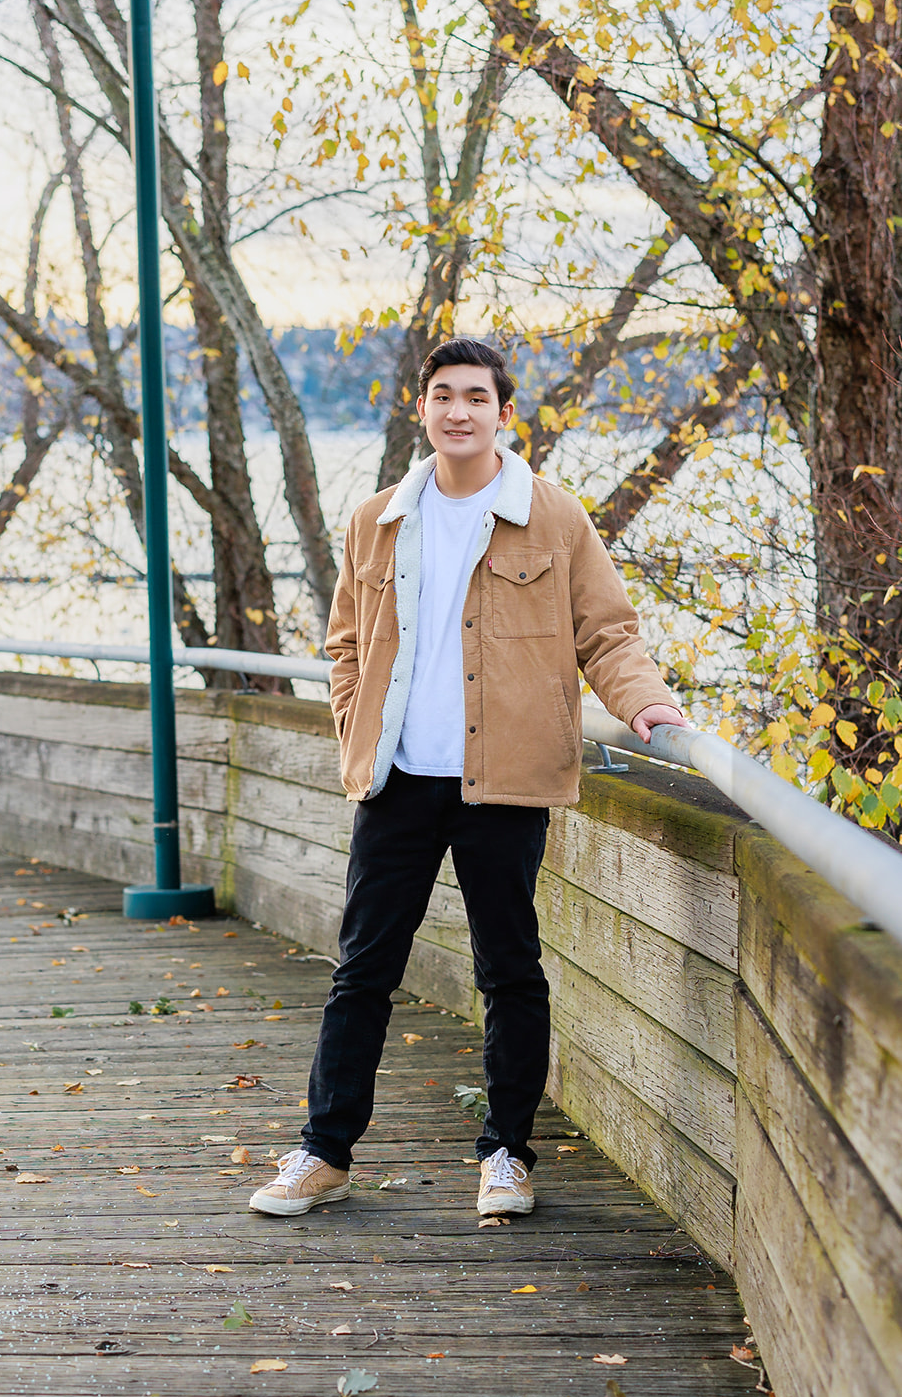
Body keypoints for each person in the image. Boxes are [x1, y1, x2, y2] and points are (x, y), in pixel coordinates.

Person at [248, 337, 685, 1220]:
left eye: (476, 397)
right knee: (361, 972)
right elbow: (344, 643)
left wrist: (648, 706)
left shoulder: (553, 517)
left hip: (507, 780)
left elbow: (608, 631)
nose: (459, 411)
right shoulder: (377, 518)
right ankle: (323, 1153)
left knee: (509, 971)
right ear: (423, 410)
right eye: (443, 395)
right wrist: (352, 727)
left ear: (504, 414)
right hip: (399, 780)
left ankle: (507, 1156)